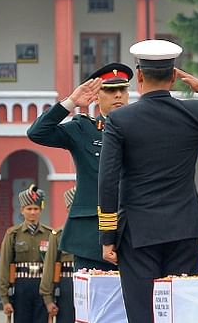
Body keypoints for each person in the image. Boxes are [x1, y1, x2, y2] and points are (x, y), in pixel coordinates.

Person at [98, 39, 198, 323]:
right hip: (184, 228)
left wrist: (107, 237)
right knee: (181, 322)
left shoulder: (120, 119)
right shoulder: (194, 111)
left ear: (139, 77)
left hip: (138, 233)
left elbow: (108, 180)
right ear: (172, 78)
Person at [27, 63, 132, 271]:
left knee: (138, 302)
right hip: (91, 235)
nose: (118, 95)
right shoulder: (84, 129)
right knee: (92, 301)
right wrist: (71, 102)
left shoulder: (142, 129)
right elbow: (37, 133)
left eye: (123, 90)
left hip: (133, 230)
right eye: (110, 90)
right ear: (97, 96)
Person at [0, 184, 53, 323]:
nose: (32, 212)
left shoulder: (49, 234)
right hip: (21, 286)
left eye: (36, 209)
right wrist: (4, 298)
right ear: (22, 210)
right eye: (29, 209)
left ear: (41, 210)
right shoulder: (13, 234)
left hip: (43, 287)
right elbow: (4, 266)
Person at [39, 187, 77, 323]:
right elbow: (49, 268)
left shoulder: (95, 233)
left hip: (88, 289)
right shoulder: (58, 235)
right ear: (67, 209)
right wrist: (48, 299)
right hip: (66, 288)